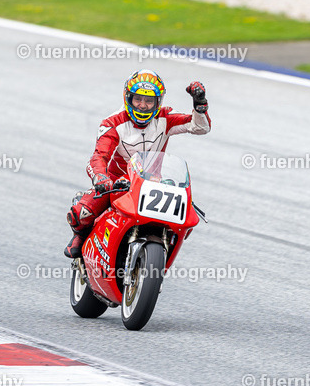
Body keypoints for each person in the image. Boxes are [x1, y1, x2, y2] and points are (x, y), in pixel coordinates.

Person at [64, 70, 210, 257]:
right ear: (128, 98)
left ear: (158, 102)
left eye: (149, 101)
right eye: (138, 100)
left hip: (152, 184)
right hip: (117, 184)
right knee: (80, 213)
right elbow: (99, 156)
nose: (143, 106)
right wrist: (101, 177)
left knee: (184, 217)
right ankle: (81, 236)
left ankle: (163, 248)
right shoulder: (112, 123)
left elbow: (200, 127)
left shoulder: (165, 118)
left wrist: (200, 106)